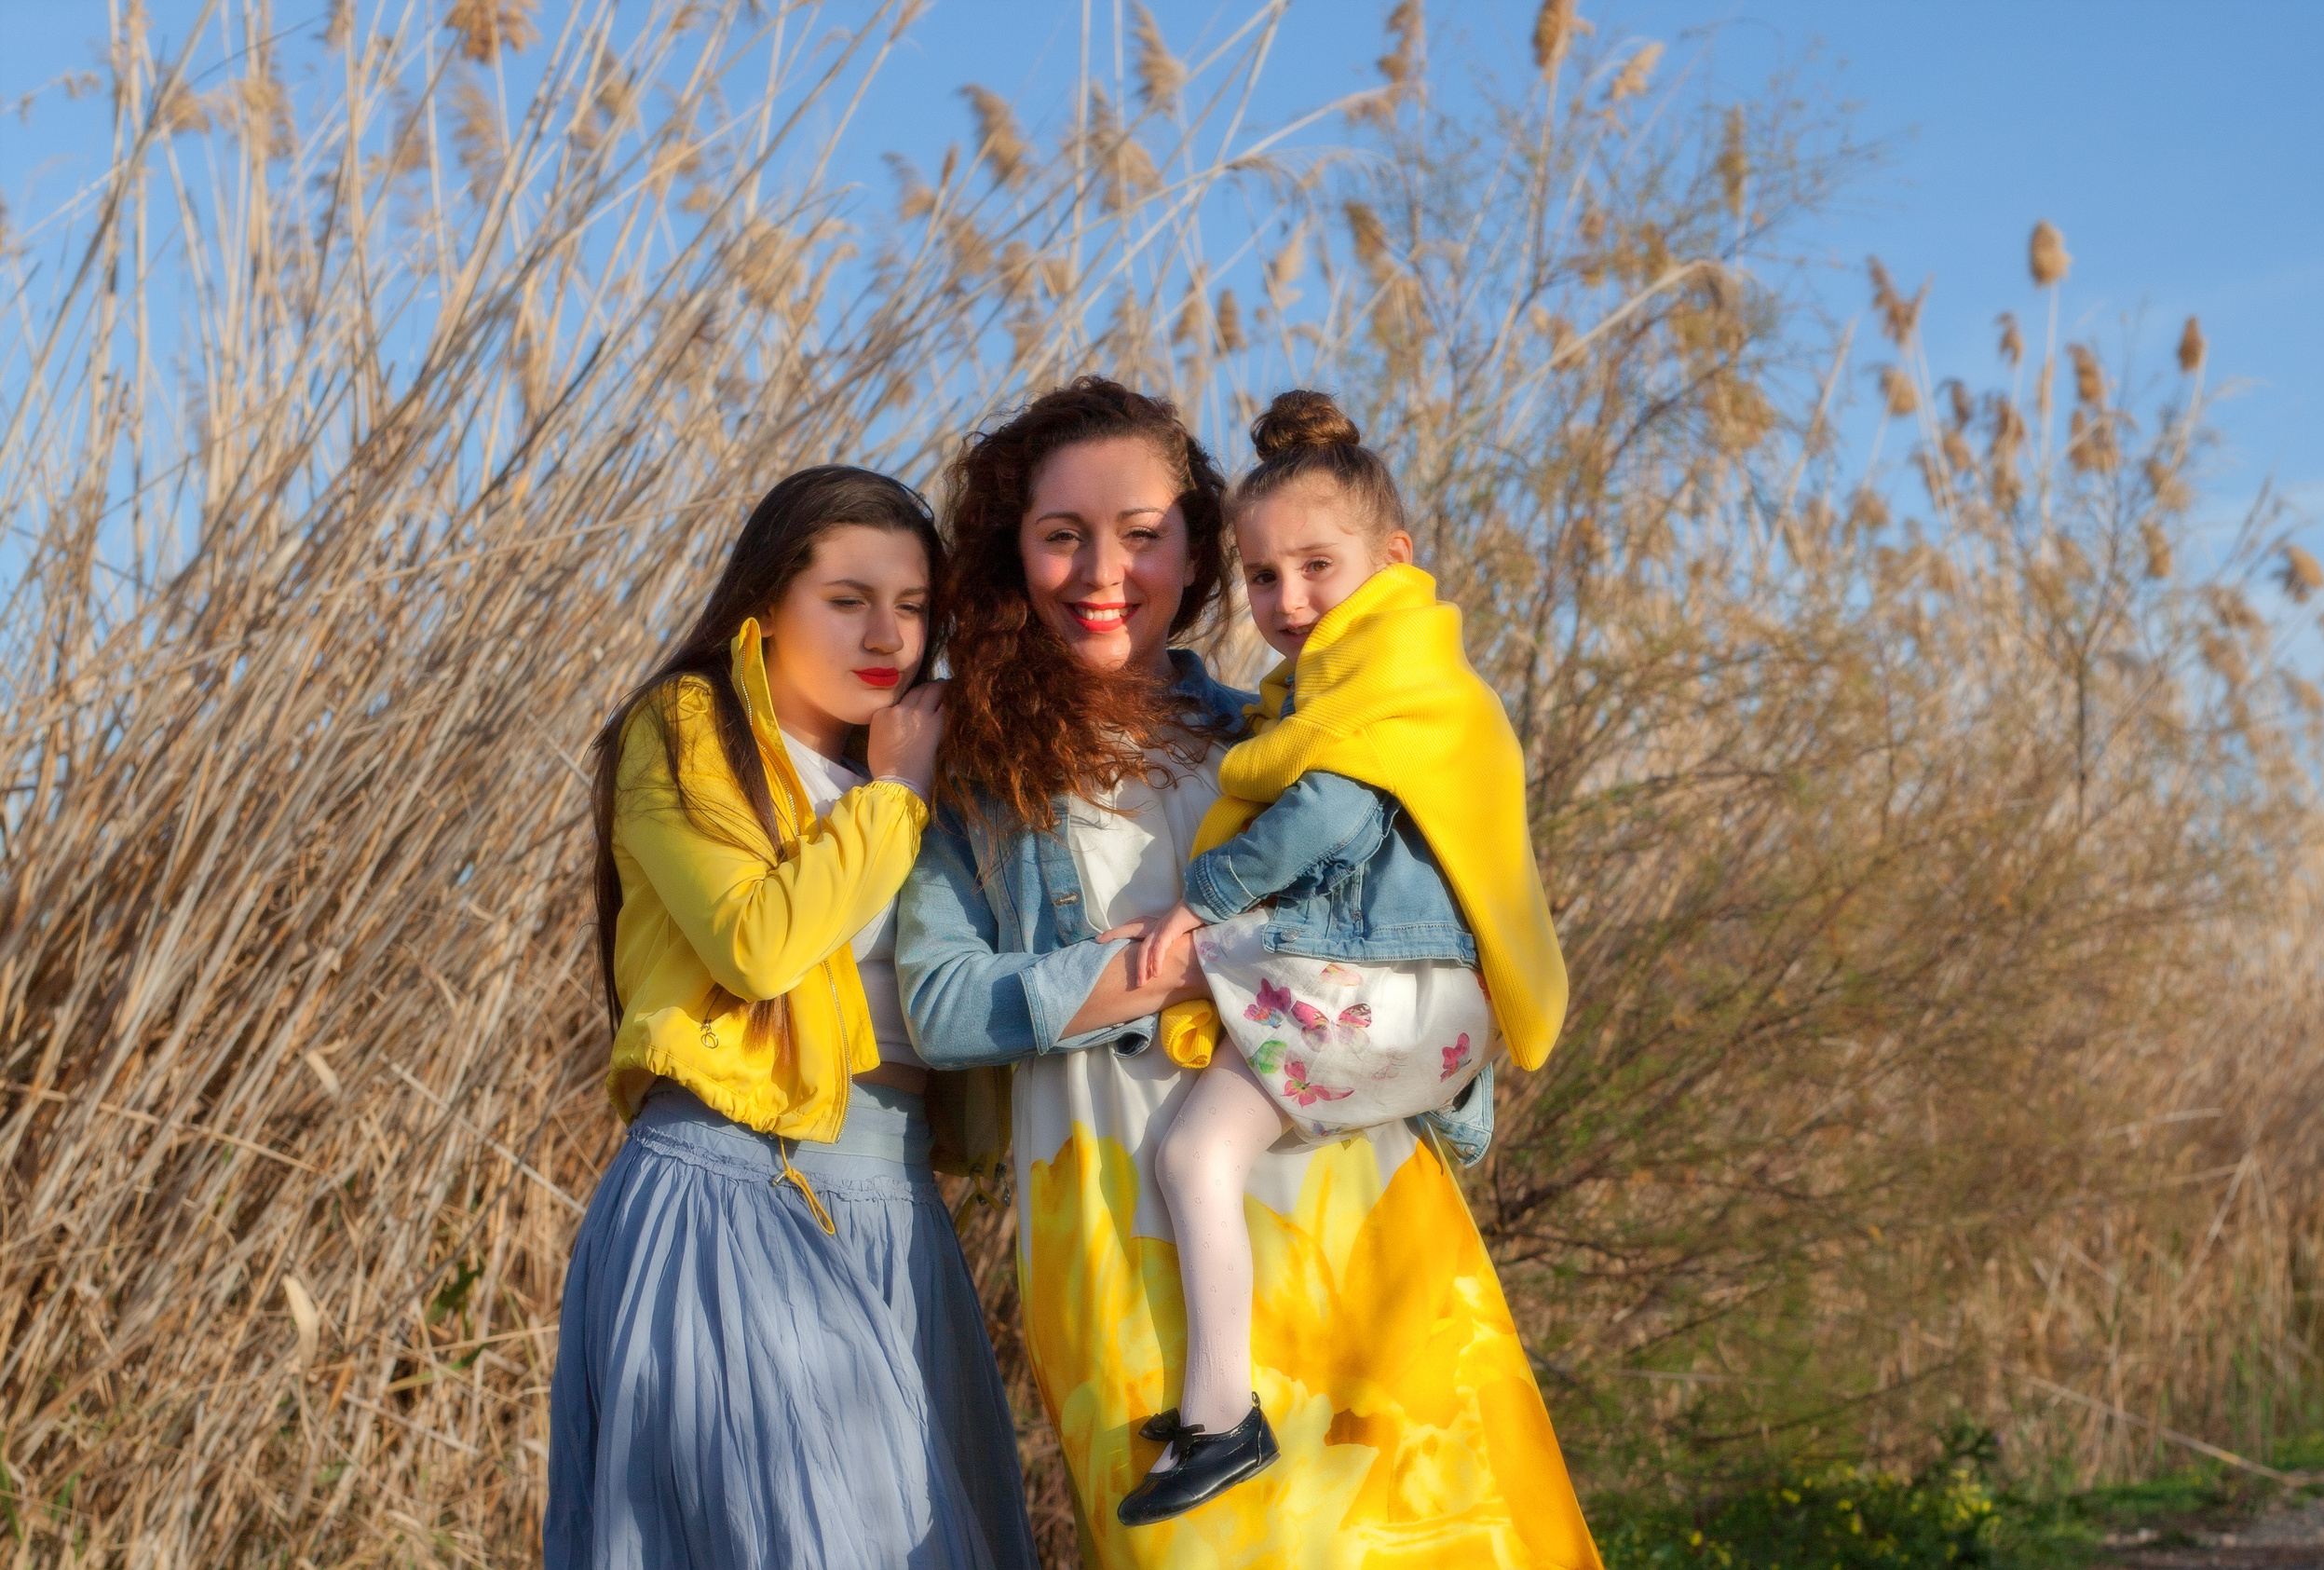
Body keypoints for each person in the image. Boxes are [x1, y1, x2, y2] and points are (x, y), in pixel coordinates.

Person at [900, 379, 1600, 1567]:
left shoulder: (1273, 732)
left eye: (1141, 533)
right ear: (1011, 550)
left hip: (1351, 1199)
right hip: (1120, 1215)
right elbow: (938, 1004)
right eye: (1061, 533)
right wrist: (1171, 971)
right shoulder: (971, 764)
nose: (1100, 569)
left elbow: (1444, 939)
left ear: (1196, 546)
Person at [546, 466, 1038, 1570]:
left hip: (898, 1207)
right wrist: (895, 795)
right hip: (737, 1189)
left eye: (913, 607)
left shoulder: (929, 770)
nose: (889, 635)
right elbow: (758, 943)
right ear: (764, 611)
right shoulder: (685, 727)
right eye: (849, 599)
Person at [1108, 389, 1571, 1524]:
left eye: (1317, 566)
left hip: (1379, 979)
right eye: (1263, 578)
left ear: (1393, 556)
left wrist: (1194, 903)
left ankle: (1224, 1413)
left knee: (1195, 1154)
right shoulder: (1363, 679)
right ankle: (1220, 1396)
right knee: (1202, 1148)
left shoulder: (1387, 684)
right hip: (1393, 985)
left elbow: (1323, 818)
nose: (1288, 599)